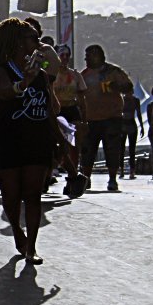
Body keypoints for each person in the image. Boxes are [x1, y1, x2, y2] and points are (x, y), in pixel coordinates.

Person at [0, 19, 58, 265]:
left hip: (37, 138)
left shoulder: (41, 69)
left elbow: (52, 101)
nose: (37, 41)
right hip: (8, 138)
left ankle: (32, 246)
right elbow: (3, 92)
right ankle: (18, 232)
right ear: (18, 42)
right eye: (31, 37)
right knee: (11, 195)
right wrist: (25, 82)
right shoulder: (1, 70)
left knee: (33, 194)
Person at [79, 45, 133, 191]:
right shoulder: (84, 74)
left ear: (99, 56)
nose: (87, 58)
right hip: (90, 118)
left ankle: (112, 179)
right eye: (86, 55)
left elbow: (129, 87)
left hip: (112, 117)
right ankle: (86, 178)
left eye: (90, 55)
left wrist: (117, 87)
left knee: (112, 149)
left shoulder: (113, 71)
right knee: (87, 151)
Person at [52, 45, 87, 194]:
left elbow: (81, 98)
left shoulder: (75, 75)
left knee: (74, 146)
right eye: (62, 55)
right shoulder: (51, 75)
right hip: (56, 111)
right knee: (58, 145)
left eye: (67, 55)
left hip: (71, 110)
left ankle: (73, 177)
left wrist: (84, 119)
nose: (65, 58)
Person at [119, 92, 144, 179]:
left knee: (131, 149)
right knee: (122, 148)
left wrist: (142, 126)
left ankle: (131, 171)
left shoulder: (134, 100)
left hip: (130, 123)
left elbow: (139, 113)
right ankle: (122, 170)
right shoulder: (122, 99)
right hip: (124, 123)